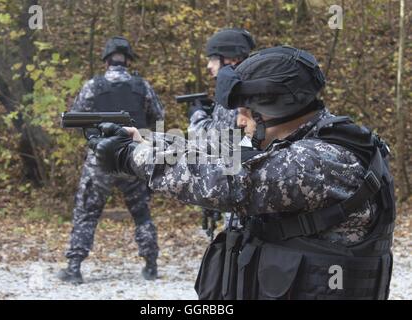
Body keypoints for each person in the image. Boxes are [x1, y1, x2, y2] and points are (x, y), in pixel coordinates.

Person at [89, 45, 395, 299]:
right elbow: (218, 152)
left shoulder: (326, 159)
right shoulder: (299, 139)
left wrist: (133, 158)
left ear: (277, 108)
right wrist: (142, 140)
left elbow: (230, 181)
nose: (239, 122)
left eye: (246, 113)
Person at [57, 36, 164, 284]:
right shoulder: (142, 86)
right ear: (127, 60)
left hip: (101, 158)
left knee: (87, 212)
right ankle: (151, 265)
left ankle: (74, 268)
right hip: (133, 156)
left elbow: (77, 116)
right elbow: (158, 115)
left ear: (106, 60)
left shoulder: (93, 85)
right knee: (141, 213)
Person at [188, 28, 256, 237]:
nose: (209, 66)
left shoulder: (235, 90)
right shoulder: (253, 84)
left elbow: (213, 142)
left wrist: (197, 116)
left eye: (213, 59)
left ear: (230, 59)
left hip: (242, 190)